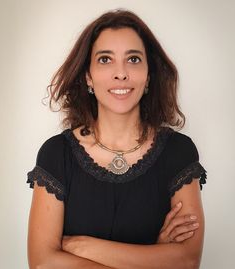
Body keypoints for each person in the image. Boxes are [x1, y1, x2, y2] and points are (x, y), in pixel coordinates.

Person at [27, 9, 207, 269]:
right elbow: (42, 264)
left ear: (148, 76)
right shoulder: (56, 154)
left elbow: (186, 261)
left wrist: (81, 247)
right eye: (105, 60)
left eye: (133, 59)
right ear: (88, 76)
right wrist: (155, 256)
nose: (120, 73)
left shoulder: (178, 152)